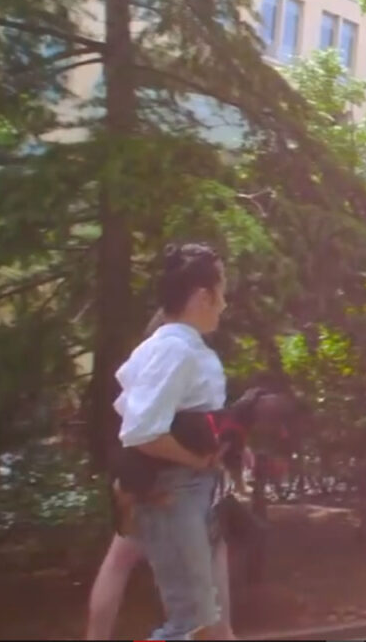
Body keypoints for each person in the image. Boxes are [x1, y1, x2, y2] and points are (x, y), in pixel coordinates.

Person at [114, 243, 233, 641]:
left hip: (186, 492)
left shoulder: (173, 346)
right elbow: (142, 430)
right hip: (176, 491)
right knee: (190, 623)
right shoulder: (174, 350)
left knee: (200, 618)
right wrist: (196, 461)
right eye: (222, 293)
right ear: (202, 296)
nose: (224, 304)